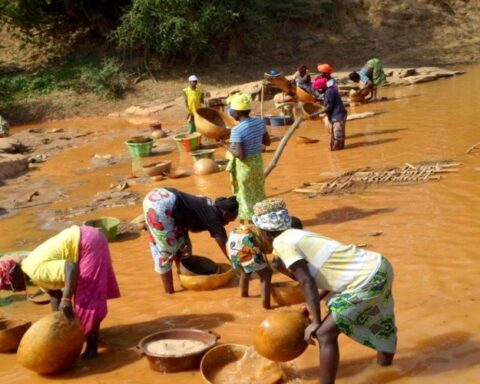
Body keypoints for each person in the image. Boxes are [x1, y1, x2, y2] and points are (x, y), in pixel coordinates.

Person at [251, 198, 397, 384]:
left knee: (324, 333)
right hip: (379, 266)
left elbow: (307, 281)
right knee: (377, 316)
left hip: (366, 279)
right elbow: (327, 275)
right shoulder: (298, 235)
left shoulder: (282, 243)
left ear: (263, 231)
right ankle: (387, 368)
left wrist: (316, 321)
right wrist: (311, 306)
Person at [0, 225, 120, 358]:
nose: (15, 291)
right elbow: (55, 293)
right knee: (80, 299)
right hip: (86, 238)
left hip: (88, 242)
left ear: (14, 277)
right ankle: (90, 336)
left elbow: (70, 267)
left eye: (10, 288)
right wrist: (58, 323)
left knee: (85, 300)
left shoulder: (34, 270)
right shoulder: (30, 270)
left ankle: (91, 351)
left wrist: (67, 299)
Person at [143, 187, 238, 294]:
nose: (227, 224)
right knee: (166, 252)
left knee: (180, 246)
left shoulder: (209, 205)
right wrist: (237, 265)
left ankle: (184, 280)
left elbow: (185, 215)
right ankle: (169, 293)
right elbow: (226, 245)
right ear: (225, 214)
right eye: (229, 220)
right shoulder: (214, 218)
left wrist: (187, 241)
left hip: (162, 195)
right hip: (161, 206)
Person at [227, 216, 303, 309]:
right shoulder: (281, 238)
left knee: (246, 271)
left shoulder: (273, 227)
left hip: (236, 235)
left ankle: (244, 297)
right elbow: (276, 264)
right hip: (245, 242)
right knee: (266, 274)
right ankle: (266, 308)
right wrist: (297, 277)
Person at [219, 93, 271, 223]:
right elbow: (267, 142)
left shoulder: (237, 130)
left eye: (231, 110)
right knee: (259, 193)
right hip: (258, 164)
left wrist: (225, 145)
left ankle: (250, 225)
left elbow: (240, 155)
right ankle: (263, 221)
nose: (230, 113)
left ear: (236, 112)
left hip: (245, 167)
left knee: (245, 197)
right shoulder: (259, 122)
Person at [312, 77, 348, 150]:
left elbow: (329, 107)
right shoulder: (330, 90)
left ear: (321, 88)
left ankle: (338, 152)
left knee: (337, 136)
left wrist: (317, 113)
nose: (317, 91)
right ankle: (339, 149)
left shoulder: (329, 92)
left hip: (338, 116)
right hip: (339, 114)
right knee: (338, 136)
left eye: (317, 89)